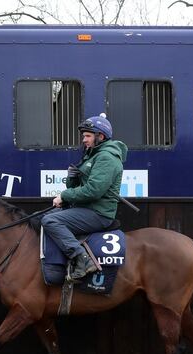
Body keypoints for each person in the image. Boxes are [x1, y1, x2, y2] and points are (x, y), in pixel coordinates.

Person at [41, 113, 128, 281]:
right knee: (43, 218)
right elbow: (78, 188)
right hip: (86, 208)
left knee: (51, 221)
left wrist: (64, 196)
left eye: (88, 136)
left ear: (100, 136)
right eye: (84, 136)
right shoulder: (92, 155)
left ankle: (83, 259)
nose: (84, 140)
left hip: (98, 214)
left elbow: (93, 191)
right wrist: (72, 178)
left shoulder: (106, 157)